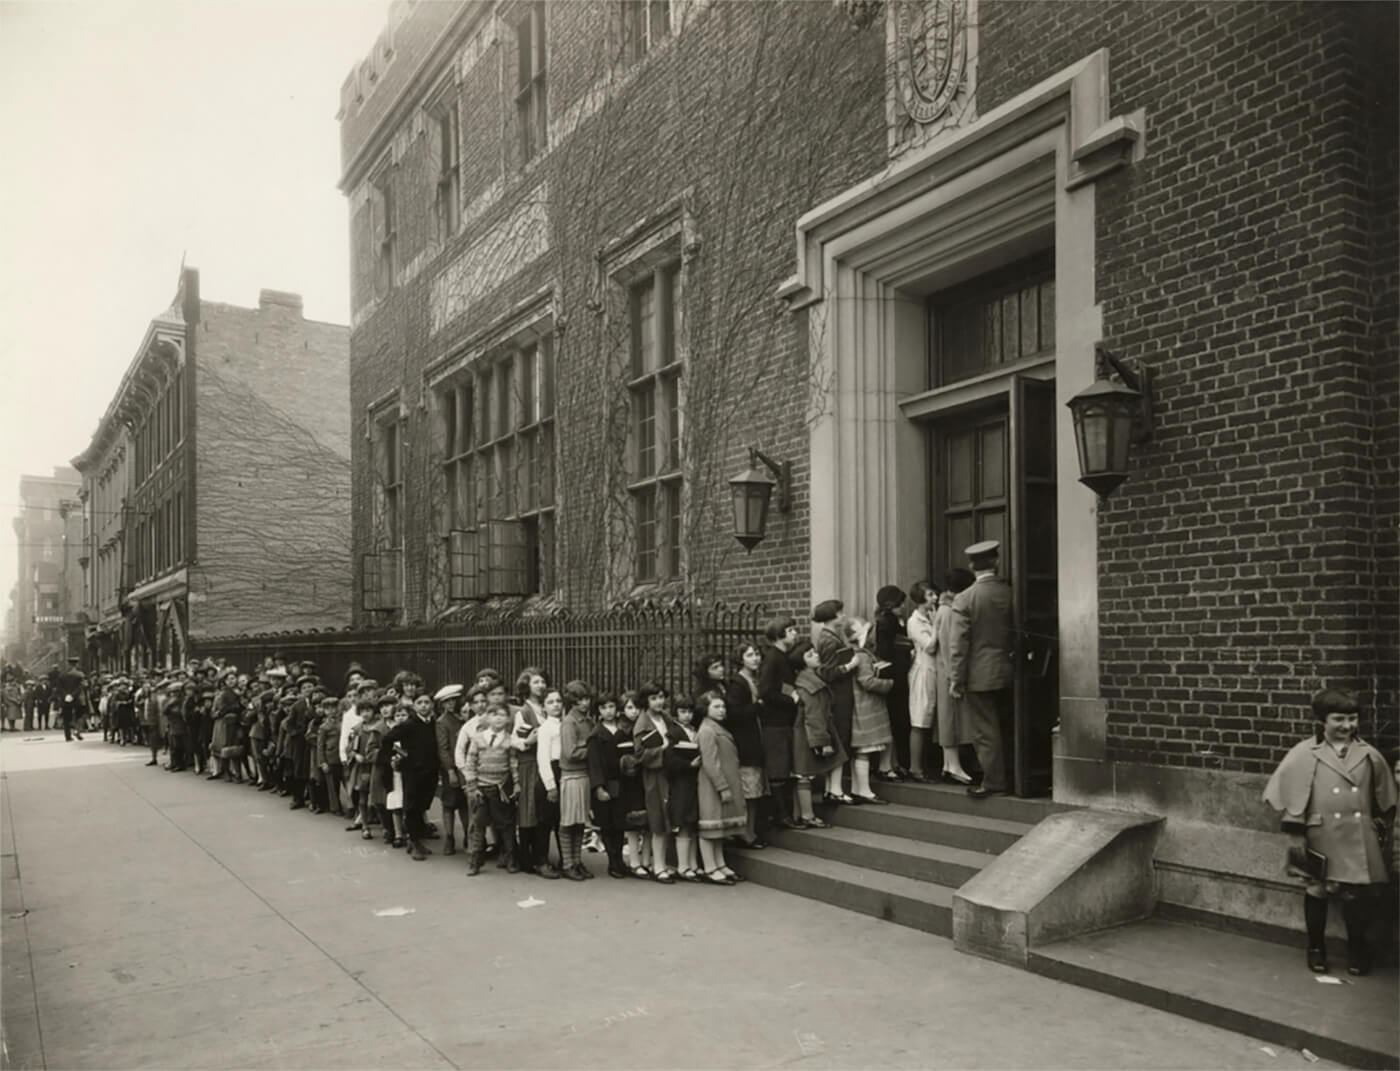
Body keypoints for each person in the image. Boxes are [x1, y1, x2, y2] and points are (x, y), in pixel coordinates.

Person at [1263, 688, 1397, 975]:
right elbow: (1293, 796)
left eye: (1352, 719)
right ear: (1322, 720)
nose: (1347, 726)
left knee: (1355, 893)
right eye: (1339, 719)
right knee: (1317, 890)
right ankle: (1315, 947)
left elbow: (1386, 795)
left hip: (1356, 834)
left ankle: (1357, 949)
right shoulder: (1304, 753)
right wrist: (1295, 834)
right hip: (1318, 833)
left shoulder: (1369, 754)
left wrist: (1381, 823)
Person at [948, 540, 1014, 800]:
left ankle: (994, 781)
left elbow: (958, 645)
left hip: (978, 675)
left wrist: (956, 679)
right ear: (996, 562)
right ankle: (1014, 776)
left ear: (972, 566)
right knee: (1009, 726)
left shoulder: (966, 598)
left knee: (985, 731)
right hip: (1010, 670)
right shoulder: (1009, 591)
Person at [379, 692, 440, 860]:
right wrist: (398, 756)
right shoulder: (409, 724)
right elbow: (387, 739)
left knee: (421, 806)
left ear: (432, 705)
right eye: (420, 702)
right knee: (411, 807)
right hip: (412, 772)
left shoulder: (434, 723)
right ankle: (413, 843)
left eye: (427, 702)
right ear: (414, 706)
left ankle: (417, 841)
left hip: (430, 771)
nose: (424, 705)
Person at [464, 699, 521, 876]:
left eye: (502, 715)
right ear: (487, 718)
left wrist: (517, 783)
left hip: (501, 789)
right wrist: (472, 787)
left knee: (506, 825)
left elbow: (513, 764)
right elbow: (470, 763)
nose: (498, 718)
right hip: (481, 788)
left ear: (508, 719)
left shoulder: (509, 741)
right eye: (493, 714)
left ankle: (511, 858)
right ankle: (475, 861)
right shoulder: (478, 739)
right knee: (479, 825)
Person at [696, 691, 746, 885]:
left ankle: (720, 863)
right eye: (716, 707)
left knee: (719, 826)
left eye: (723, 706)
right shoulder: (707, 730)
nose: (721, 710)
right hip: (712, 786)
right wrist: (722, 786)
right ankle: (710, 867)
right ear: (705, 709)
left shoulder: (717, 727)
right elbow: (710, 763)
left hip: (723, 783)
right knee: (710, 826)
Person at [790, 641, 841, 828]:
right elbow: (813, 715)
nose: (816, 655)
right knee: (804, 774)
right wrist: (823, 741)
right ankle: (807, 815)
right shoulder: (809, 685)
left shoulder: (808, 680)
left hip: (806, 731)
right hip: (807, 733)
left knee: (802, 773)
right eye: (810, 655)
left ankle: (801, 813)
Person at [757, 616, 802, 830]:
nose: (795, 633)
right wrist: (790, 700)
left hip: (784, 721)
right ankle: (781, 815)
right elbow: (766, 691)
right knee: (778, 770)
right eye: (791, 630)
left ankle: (783, 814)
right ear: (779, 635)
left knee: (784, 769)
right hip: (775, 723)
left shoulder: (783, 657)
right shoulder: (773, 658)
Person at [633, 681, 680, 883]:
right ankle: (658, 866)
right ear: (645, 701)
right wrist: (662, 749)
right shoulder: (643, 724)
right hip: (654, 776)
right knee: (658, 819)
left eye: (661, 697)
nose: (659, 701)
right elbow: (640, 754)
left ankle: (660, 863)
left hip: (668, 772)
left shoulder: (666, 719)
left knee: (666, 816)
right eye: (653, 698)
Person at [724, 642, 769, 849]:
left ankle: (748, 830)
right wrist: (758, 707)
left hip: (755, 740)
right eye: (750, 655)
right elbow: (734, 714)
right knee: (749, 792)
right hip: (745, 743)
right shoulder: (738, 683)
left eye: (757, 654)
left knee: (755, 792)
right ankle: (745, 833)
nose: (755, 658)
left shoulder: (754, 680)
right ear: (740, 659)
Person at [933, 568, 976, 784]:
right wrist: (955, 679)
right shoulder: (950, 611)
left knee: (950, 718)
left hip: (945, 670)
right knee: (951, 720)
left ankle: (949, 764)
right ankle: (953, 765)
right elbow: (951, 647)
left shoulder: (944, 609)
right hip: (949, 672)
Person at [847, 617, 895, 804]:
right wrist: (888, 683)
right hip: (865, 706)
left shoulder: (855, 653)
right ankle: (865, 791)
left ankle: (857, 788)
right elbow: (866, 681)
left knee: (860, 749)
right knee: (864, 749)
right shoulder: (863, 655)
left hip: (859, 704)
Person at [587, 693, 631, 878]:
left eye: (611, 707)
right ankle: (612, 862)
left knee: (619, 824)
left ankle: (620, 861)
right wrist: (598, 787)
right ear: (599, 711)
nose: (608, 711)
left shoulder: (622, 730)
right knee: (607, 825)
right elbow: (594, 764)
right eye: (604, 708)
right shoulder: (596, 735)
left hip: (621, 782)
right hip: (605, 783)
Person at [556, 681, 595, 881]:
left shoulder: (587, 721)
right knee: (568, 821)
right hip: (571, 776)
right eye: (580, 700)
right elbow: (570, 752)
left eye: (586, 699)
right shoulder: (569, 722)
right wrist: (592, 751)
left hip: (584, 775)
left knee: (580, 822)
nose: (584, 703)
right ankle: (567, 863)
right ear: (572, 701)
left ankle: (577, 861)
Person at [664, 695, 702, 881]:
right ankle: (683, 865)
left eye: (689, 712)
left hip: (692, 782)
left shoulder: (694, 730)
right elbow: (669, 760)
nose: (687, 716)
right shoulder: (674, 732)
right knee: (684, 822)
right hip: (681, 782)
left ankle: (693, 863)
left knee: (693, 821)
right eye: (683, 712)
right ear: (676, 713)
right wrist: (689, 765)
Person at [905, 581, 939, 782]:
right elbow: (930, 646)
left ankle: (928, 765)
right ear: (920, 599)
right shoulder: (915, 621)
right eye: (929, 595)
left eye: (934, 594)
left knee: (929, 719)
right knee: (920, 720)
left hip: (933, 671)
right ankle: (915, 768)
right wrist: (936, 625)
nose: (934, 598)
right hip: (922, 673)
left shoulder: (927, 618)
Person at [434, 684, 470, 856]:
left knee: (464, 804)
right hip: (452, 769)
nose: (451, 704)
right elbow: (443, 748)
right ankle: (449, 837)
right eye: (447, 702)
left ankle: (468, 836)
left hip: (465, 767)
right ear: (442, 704)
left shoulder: (462, 719)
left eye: (453, 701)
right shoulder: (442, 722)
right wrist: (450, 770)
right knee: (448, 804)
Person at [55, 657, 88, 742]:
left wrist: (66, 695)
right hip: (78, 699)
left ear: (68, 664)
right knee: (80, 716)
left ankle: (68, 736)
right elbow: (81, 687)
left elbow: (59, 688)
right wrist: (73, 695)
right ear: (76, 664)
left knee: (66, 718)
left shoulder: (62, 675)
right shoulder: (80, 674)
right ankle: (77, 731)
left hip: (65, 700)